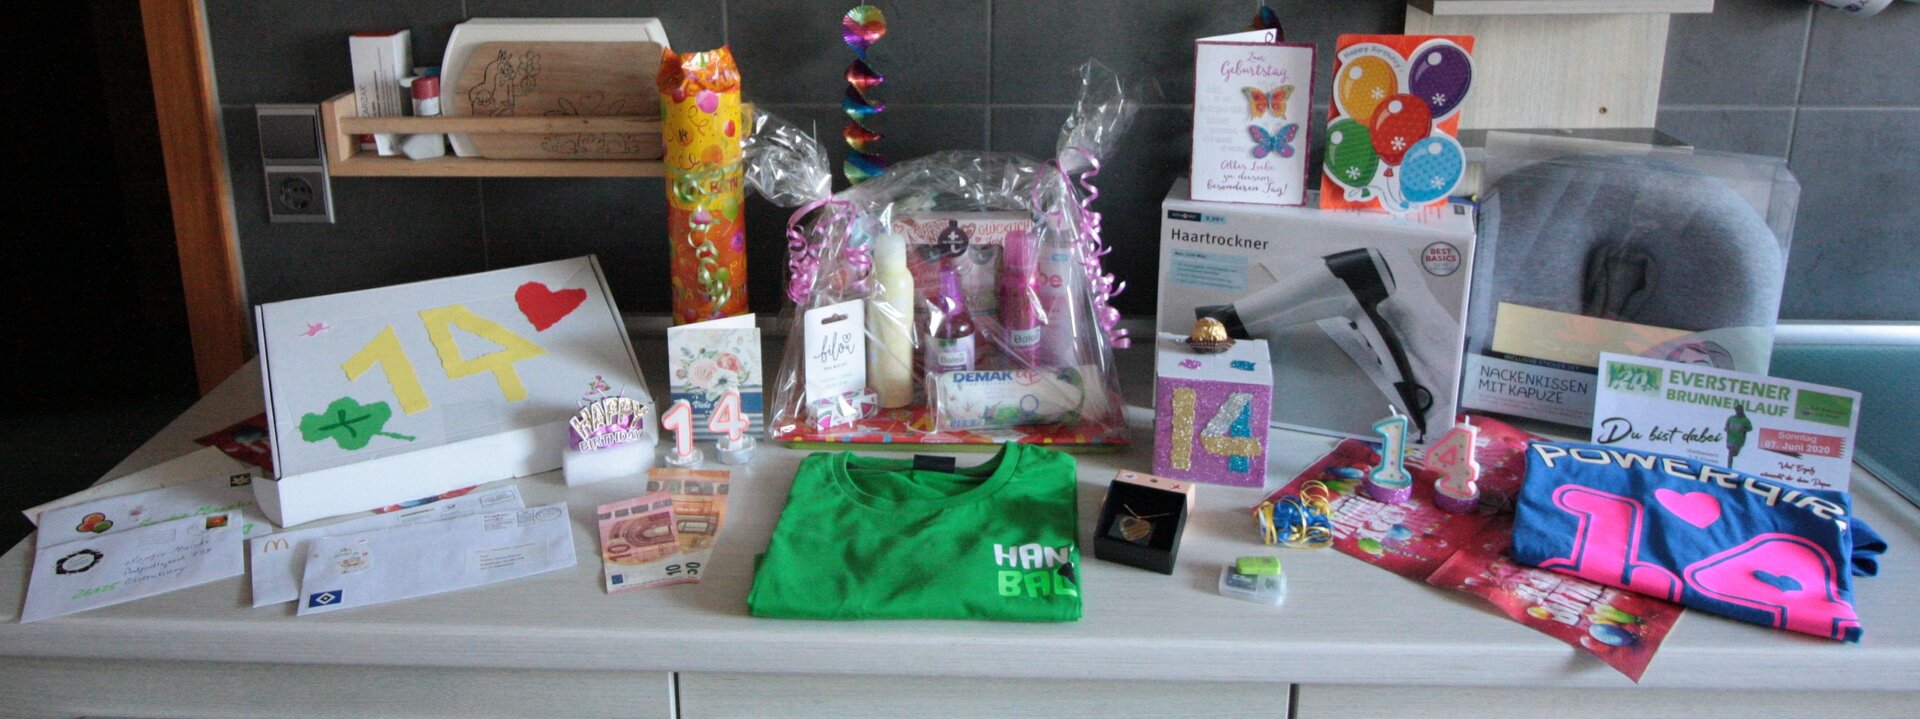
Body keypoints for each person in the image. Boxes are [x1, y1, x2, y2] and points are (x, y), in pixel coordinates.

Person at [1725, 403, 1753, 467]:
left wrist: (1743, 429)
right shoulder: (1731, 418)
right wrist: (1727, 429)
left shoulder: (1745, 420)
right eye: (1737, 410)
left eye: (1740, 410)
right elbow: (1726, 426)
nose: (1738, 411)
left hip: (1739, 440)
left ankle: (1730, 465)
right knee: (1731, 452)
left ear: (1742, 410)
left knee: (1734, 454)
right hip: (1730, 439)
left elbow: (1750, 428)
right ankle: (1729, 467)